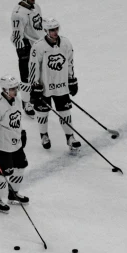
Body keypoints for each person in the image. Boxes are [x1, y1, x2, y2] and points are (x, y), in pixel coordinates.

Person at [29, 17, 81, 152]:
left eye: (56, 29)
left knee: (65, 111)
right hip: (44, 86)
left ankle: (70, 137)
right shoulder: (38, 46)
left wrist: (71, 79)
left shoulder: (66, 43)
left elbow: (70, 62)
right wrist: (35, 85)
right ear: (46, 30)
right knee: (42, 113)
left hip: (61, 84)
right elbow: (33, 66)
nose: (55, 32)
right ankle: (44, 135)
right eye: (51, 30)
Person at [0, 75, 29, 214]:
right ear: (5, 89)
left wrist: (21, 133)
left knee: (21, 167)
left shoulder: (16, 100)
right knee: (3, 173)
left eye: (16, 88)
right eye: (13, 89)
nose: (16, 91)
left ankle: (13, 193)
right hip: (3, 145)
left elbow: (17, 119)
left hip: (16, 142)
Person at [10, 0, 43, 118]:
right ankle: (26, 102)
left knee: (40, 74)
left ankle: (38, 97)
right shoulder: (18, 14)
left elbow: (39, 26)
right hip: (26, 47)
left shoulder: (36, 7)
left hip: (40, 45)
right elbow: (17, 35)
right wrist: (22, 52)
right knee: (26, 77)